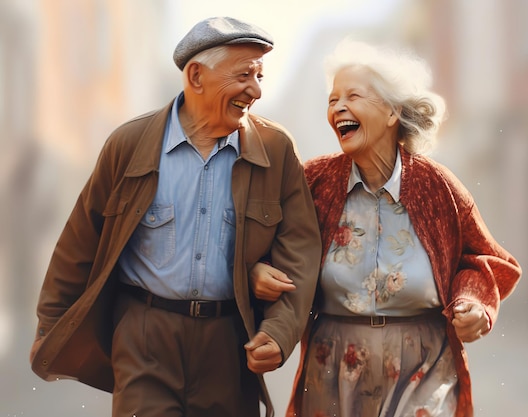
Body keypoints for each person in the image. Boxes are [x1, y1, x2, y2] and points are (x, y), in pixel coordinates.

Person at [29, 16, 322, 417]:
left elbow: (300, 250)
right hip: (144, 335)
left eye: (259, 76)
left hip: (228, 342)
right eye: (244, 75)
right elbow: (81, 240)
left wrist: (280, 330)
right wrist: (50, 325)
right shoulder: (129, 145)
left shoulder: (276, 150)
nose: (255, 90)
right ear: (196, 76)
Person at [250, 39, 522, 417]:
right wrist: (258, 269)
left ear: (393, 111)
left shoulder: (436, 184)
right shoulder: (313, 180)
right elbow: (271, 244)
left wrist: (473, 304)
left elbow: (482, 257)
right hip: (334, 365)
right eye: (332, 100)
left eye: (353, 96)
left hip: (422, 366)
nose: (338, 107)